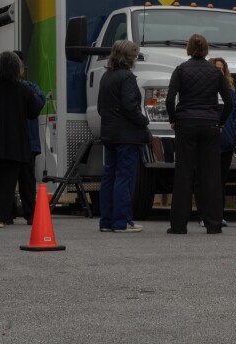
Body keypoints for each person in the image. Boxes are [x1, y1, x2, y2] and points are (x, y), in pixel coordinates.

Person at [166, 34, 232, 235]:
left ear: (188, 48)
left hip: (186, 124)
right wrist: (219, 122)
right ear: (206, 50)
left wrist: (173, 119)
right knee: (210, 175)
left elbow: (170, 99)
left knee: (184, 174)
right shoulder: (215, 72)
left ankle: (178, 225)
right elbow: (228, 102)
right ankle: (213, 223)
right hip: (210, 124)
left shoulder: (181, 70)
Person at [97, 40, 150, 233]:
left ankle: (106, 221)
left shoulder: (106, 76)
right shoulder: (127, 77)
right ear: (130, 58)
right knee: (124, 178)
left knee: (109, 176)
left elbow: (102, 107)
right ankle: (121, 222)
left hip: (109, 133)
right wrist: (144, 121)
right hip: (127, 135)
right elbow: (130, 106)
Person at [0, 51, 42, 228]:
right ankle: (2, 217)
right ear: (17, 68)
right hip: (15, 143)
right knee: (10, 182)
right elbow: (33, 111)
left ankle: (4, 216)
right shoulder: (24, 89)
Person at [196, 57, 236, 228]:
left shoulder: (230, 92)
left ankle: (218, 214)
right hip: (208, 141)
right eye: (217, 68)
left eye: (223, 69)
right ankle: (203, 215)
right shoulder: (205, 91)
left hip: (226, 143)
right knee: (204, 179)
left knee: (221, 180)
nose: (220, 71)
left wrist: (234, 133)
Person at [10, 51, 46, 226]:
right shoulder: (29, 88)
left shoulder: (30, 87)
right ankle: (9, 212)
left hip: (27, 143)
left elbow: (39, 104)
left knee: (26, 180)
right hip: (20, 142)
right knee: (9, 179)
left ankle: (30, 213)